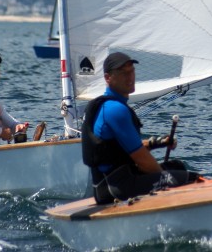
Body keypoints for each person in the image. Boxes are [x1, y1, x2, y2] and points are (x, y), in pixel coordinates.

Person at [82, 51, 199, 204]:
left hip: (110, 184)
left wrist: (156, 143)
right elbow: (142, 161)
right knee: (192, 179)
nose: (130, 77)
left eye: (131, 71)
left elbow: (120, 150)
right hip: (116, 187)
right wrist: (165, 178)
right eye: (123, 73)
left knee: (177, 166)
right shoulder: (115, 110)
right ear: (108, 77)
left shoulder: (109, 106)